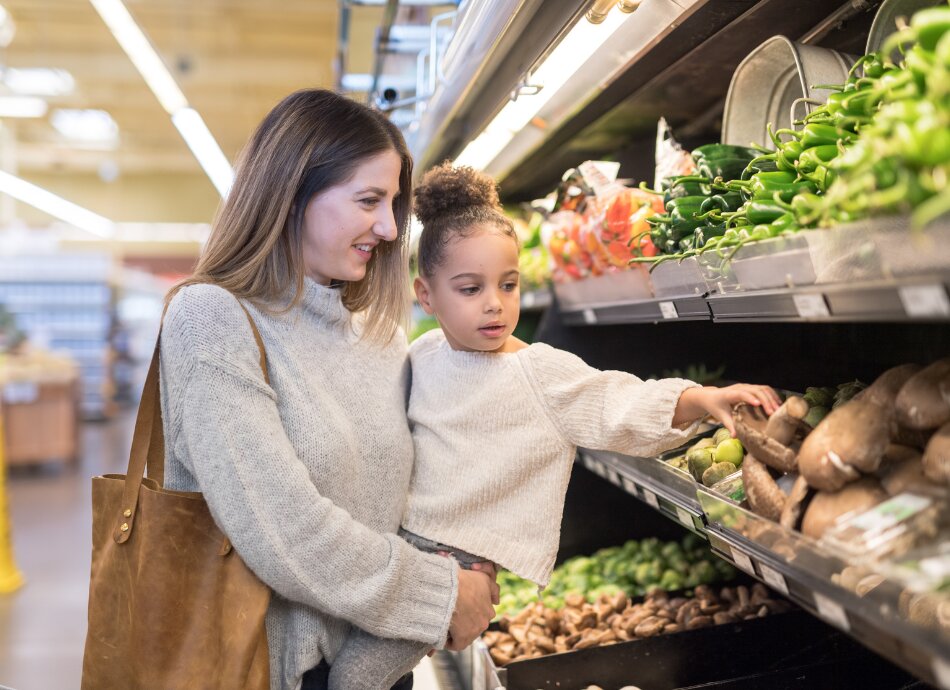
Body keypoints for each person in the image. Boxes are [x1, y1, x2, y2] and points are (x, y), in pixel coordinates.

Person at [328, 163, 782, 689]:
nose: (495, 303)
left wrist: (701, 397)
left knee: (357, 676)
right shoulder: (423, 352)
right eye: (470, 289)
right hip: (398, 554)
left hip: (454, 566)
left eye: (509, 284)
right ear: (426, 296)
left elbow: (617, 402)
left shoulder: (537, 370)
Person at [158, 91, 498, 690]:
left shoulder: (383, 339)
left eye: (393, 204)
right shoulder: (211, 319)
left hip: (379, 665)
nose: (390, 229)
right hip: (267, 673)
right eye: (368, 200)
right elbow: (286, 531)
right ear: (291, 194)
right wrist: (440, 595)